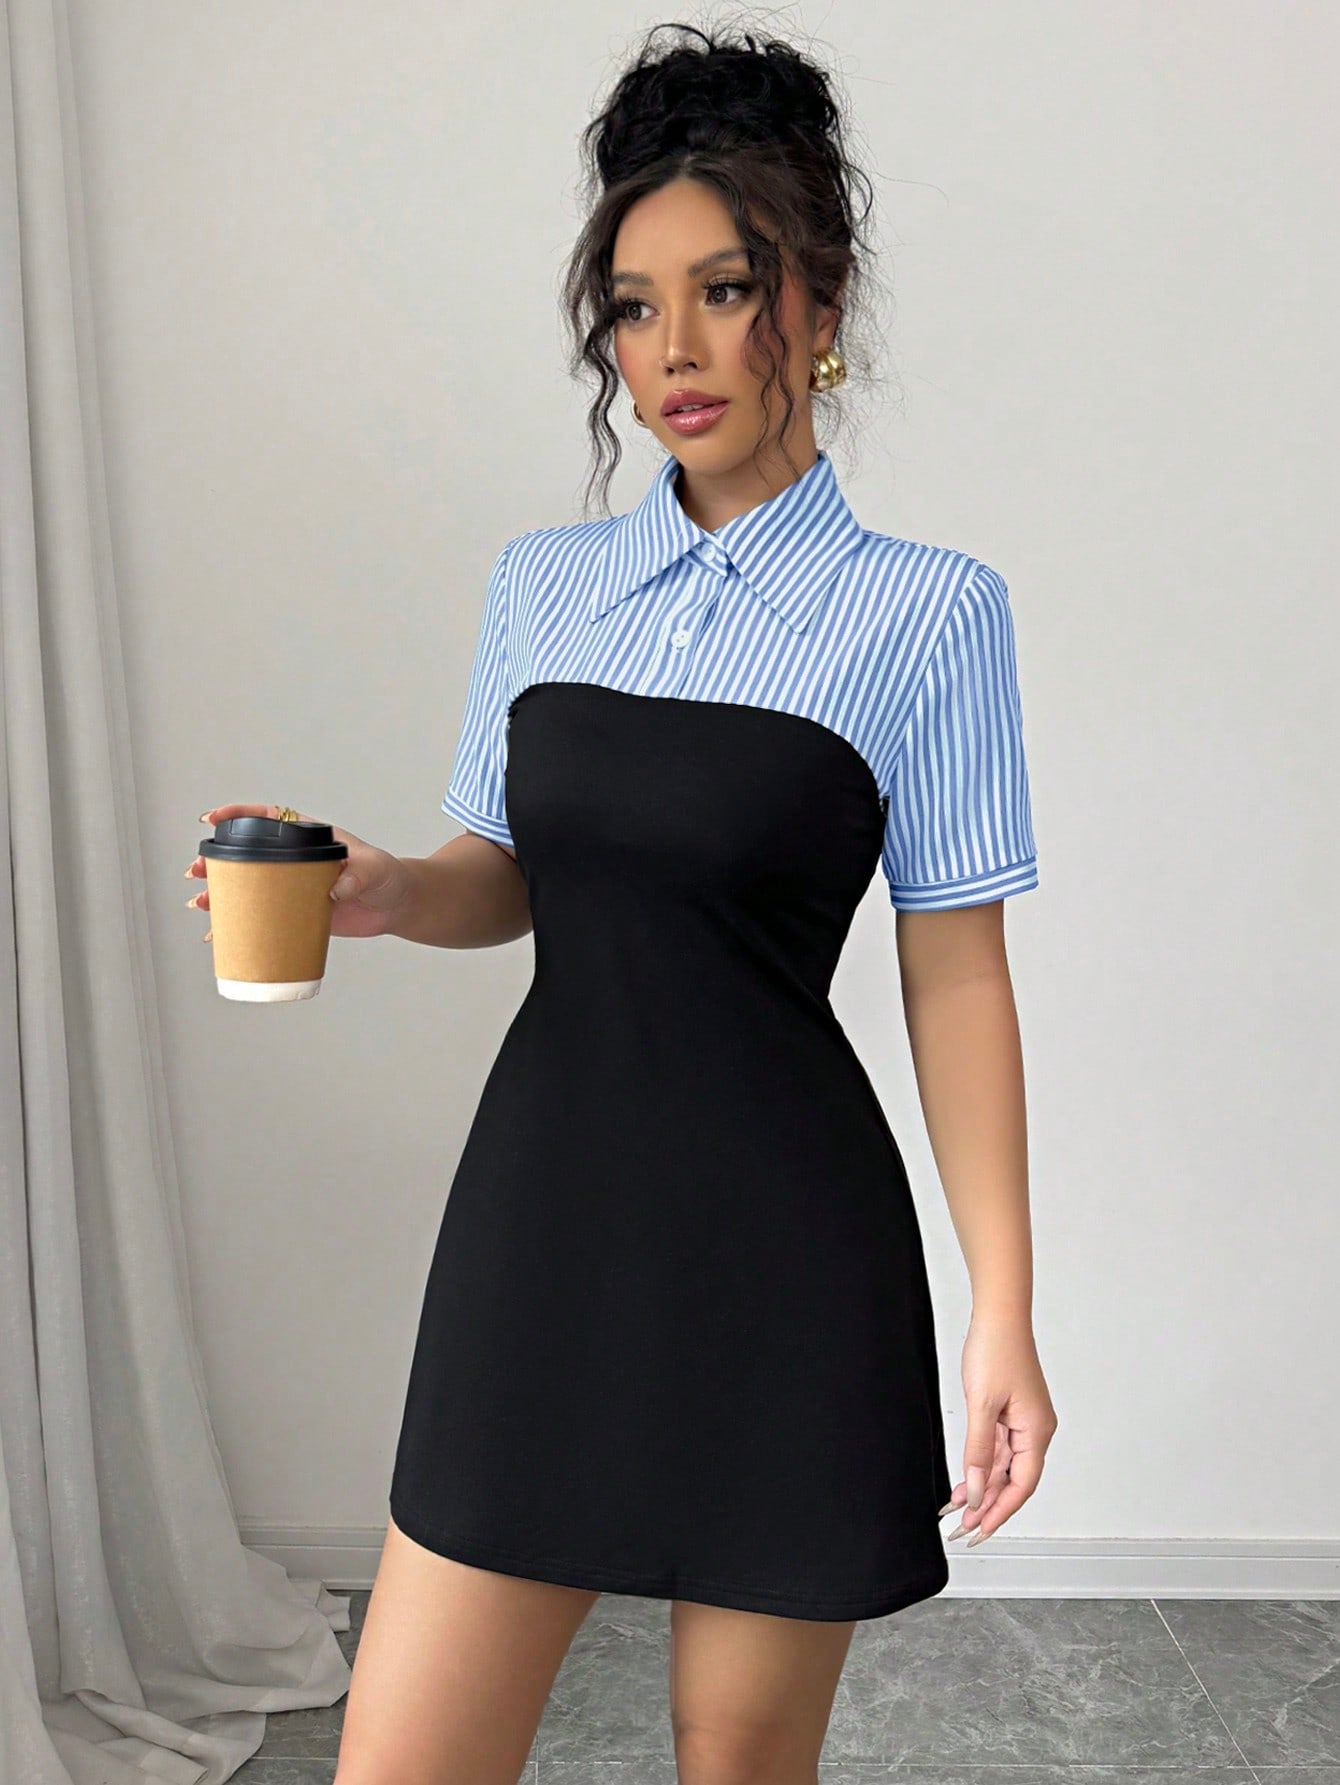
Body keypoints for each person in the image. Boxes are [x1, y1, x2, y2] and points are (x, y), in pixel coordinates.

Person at [187, 20, 1057, 1785]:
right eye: (635, 305)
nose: (676, 350)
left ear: (818, 302)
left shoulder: (931, 615)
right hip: (548, 1229)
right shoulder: (546, 587)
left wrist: (1005, 1308)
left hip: (787, 1257)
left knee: (738, 1766)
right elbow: (506, 877)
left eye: (726, 290)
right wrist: (382, 888)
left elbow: (957, 972)